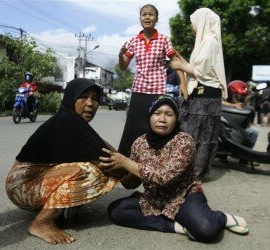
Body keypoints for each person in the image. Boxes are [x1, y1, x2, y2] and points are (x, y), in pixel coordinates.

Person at [99, 95, 249, 243]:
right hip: (153, 198)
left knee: (206, 231)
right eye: (157, 113)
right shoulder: (139, 143)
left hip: (183, 197)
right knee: (117, 211)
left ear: (176, 118)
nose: (162, 119)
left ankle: (220, 217)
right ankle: (175, 226)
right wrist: (114, 169)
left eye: (169, 114)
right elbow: (130, 184)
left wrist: (126, 163)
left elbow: (164, 177)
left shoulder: (184, 141)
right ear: (150, 116)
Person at [5, 78, 124, 244]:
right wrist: (136, 169)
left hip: (27, 184)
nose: (90, 103)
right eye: (83, 97)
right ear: (70, 98)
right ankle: (42, 223)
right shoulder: (68, 121)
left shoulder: (71, 120)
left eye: (95, 98)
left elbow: (105, 148)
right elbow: (114, 165)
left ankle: (56, 209)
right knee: (90, 170)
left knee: (97, 165)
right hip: (23, 185)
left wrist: (126, 165)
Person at [118, 4, 185, 158]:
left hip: (156, 91)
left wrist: (183, 82)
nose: (147, 17)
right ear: (140, 18)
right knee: (132, 127)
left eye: (151, 14)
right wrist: (120, 55)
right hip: (138, 89)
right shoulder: (135, 40)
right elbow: (123, 66)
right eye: (144, 14)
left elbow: (174, 61)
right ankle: (124, 163)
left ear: (156, 19)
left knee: (154, 126)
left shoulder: (163, 40)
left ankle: (156, 159)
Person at [170, 7, 228, 180]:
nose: (192, 27)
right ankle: (190, 173)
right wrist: (178, 56)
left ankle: (194, 175)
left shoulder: (210, 41)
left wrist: (180, 66)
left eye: (193, 23)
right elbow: (195, 68)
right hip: (202, 96)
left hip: (206, 97)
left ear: (202, 22)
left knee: (199, 137)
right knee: (193, 135)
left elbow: (199, 72)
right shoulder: (205, 42)